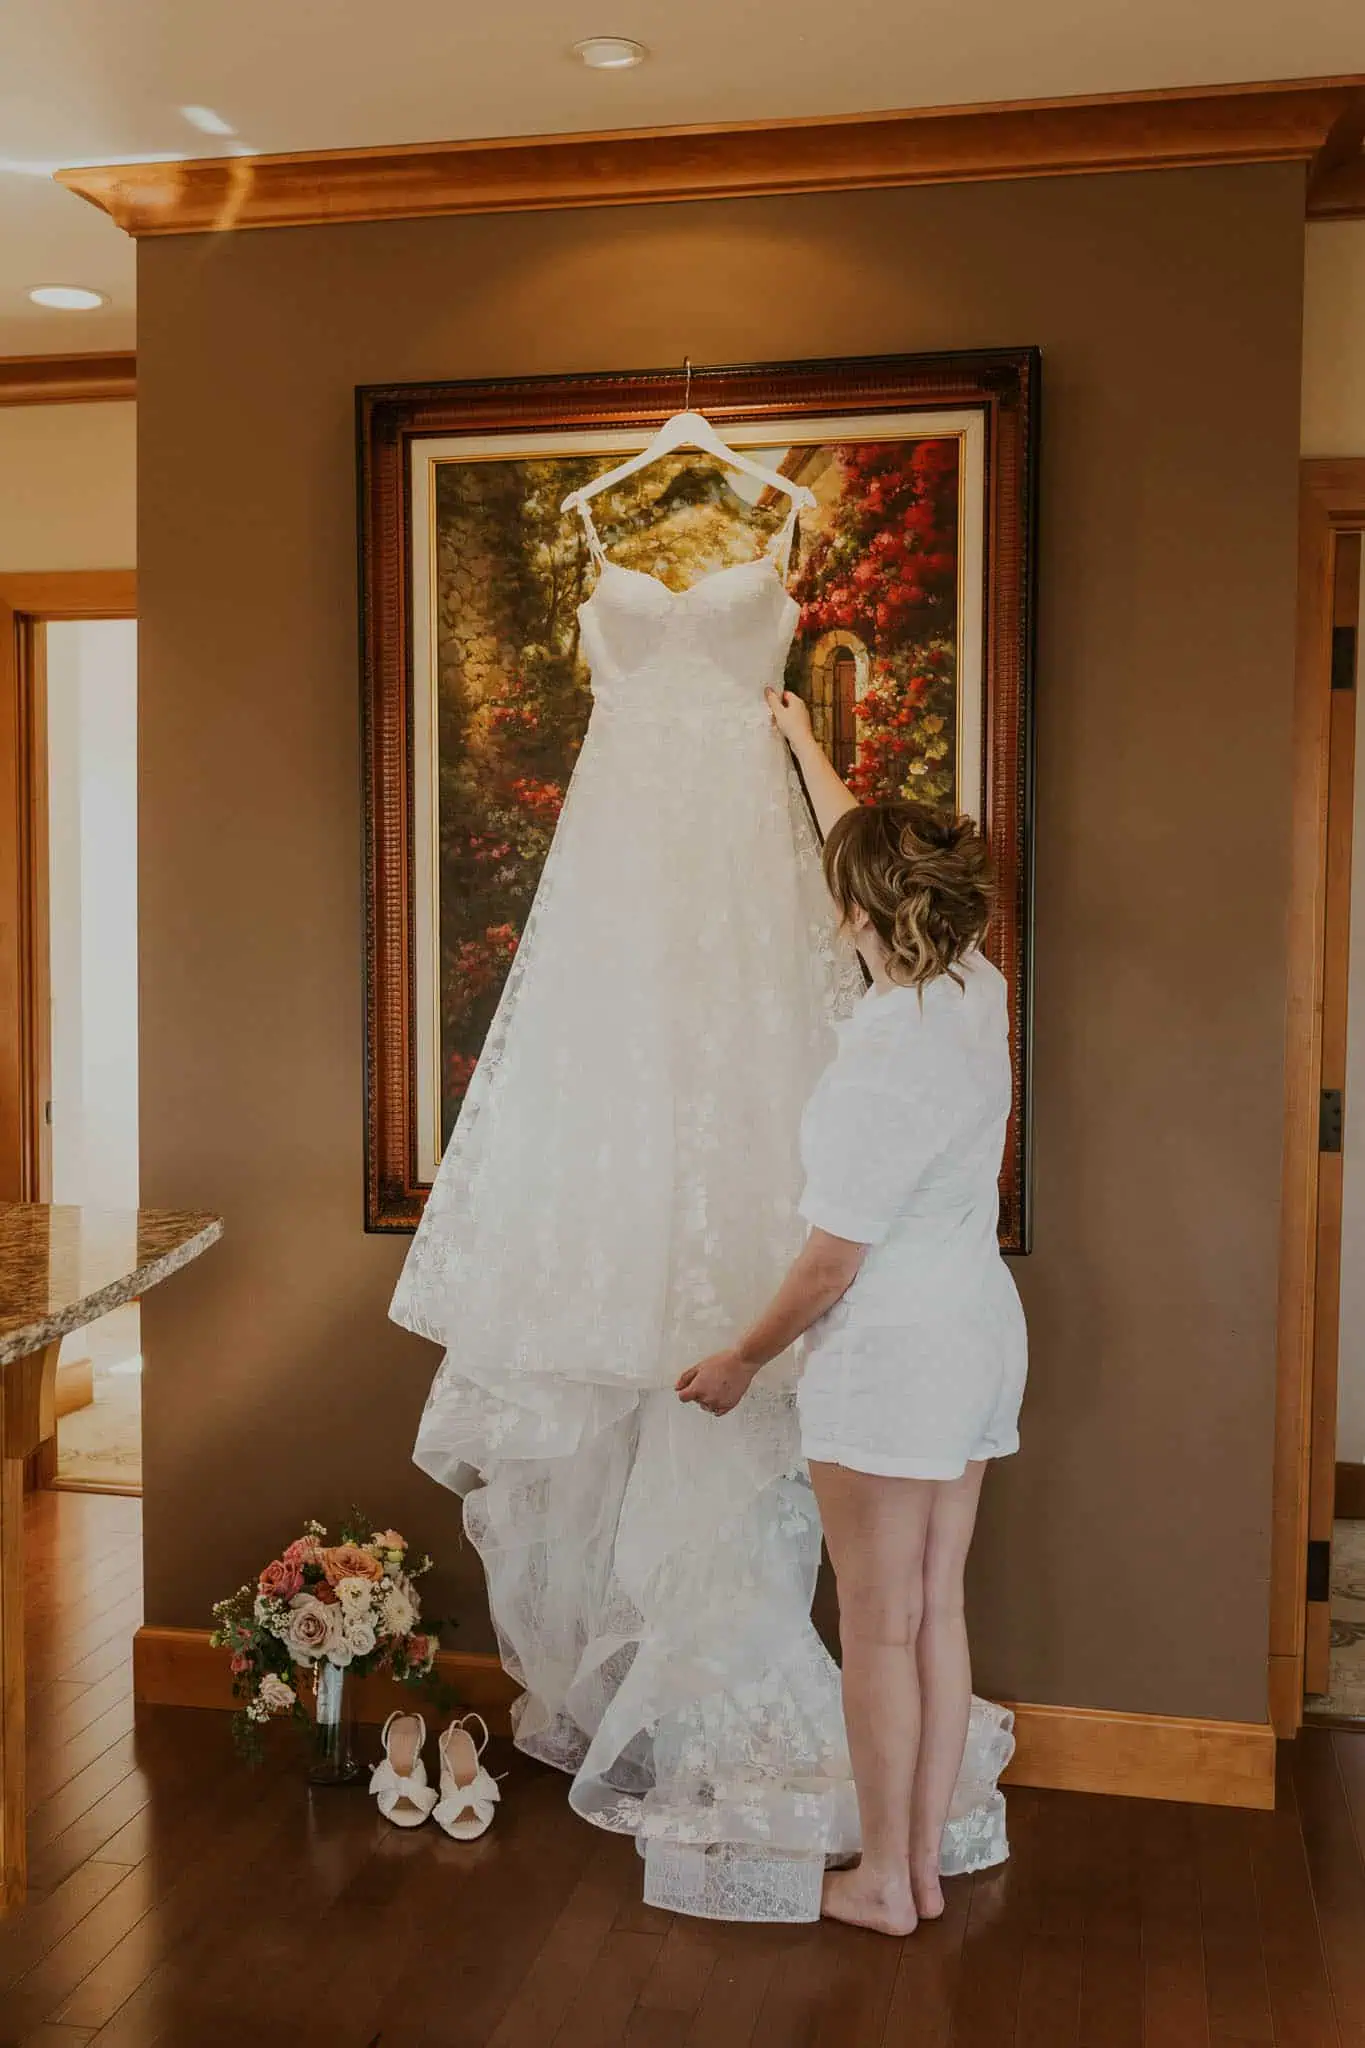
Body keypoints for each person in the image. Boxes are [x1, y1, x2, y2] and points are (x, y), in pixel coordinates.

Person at [677, 685, 1027, 1937]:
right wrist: (800, 739)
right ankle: (915, 1867)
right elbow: (866, 848)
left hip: (894, 1354)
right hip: (976, 1333)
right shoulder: (974, 986)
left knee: (878, 1626)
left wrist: (739, 1356)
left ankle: (885, 1880)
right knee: (935, 1608)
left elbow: (830, 1262)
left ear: (865, 915)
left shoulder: (885, 1056)